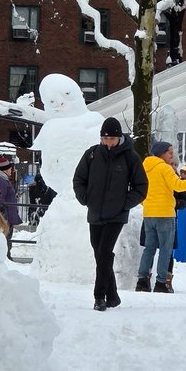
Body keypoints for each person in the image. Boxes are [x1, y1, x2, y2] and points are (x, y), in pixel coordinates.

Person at [73, 116, 148, 311]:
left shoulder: (130, 157)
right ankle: (113, 296)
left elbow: (141, 187)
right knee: (100, 255)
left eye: (111, 139)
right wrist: (85, 198)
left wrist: (125, 204)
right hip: (95, 212)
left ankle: (99, 297)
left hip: (116, 215)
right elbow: (79, 179)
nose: (108, 143)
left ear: (119, 138)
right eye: (104, 139)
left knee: (104, 252)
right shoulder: (91, 155)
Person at [135, 142, 186, 293]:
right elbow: (178, 186)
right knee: (166, 250)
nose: (172, 155)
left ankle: (142, 281)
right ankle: (161, 283)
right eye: (169, 152)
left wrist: (147, 203)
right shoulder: (164, 168)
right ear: (161, 153)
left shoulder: (144, 167)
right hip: (165, 214)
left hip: (149, 214)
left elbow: (138, 189)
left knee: (149, 248)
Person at [0, 156, 22, 259]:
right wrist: (4, 218)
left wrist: (13, 196)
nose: (12, 170)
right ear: (6, 169)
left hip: (5, 216)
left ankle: (6, 258)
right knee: (4, 239)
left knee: (6, 239)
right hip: (4, 217)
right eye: (10, 168)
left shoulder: (2, 179)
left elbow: (2, 196)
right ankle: (5, 259)